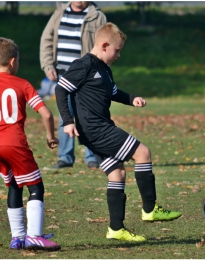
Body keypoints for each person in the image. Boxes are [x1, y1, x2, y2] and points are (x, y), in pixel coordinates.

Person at [55, 22, 182, 242]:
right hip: (96, 129)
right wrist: (67, 121)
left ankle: (116, 228)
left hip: (98, 129)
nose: (119, 54)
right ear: (104, 45)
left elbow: (114, 92)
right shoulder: (84, 65)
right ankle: (150, 209)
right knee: (143, 153)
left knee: (117, 174)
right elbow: (61, 88)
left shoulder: (105, 69)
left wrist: (132, 99)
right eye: (117, 50)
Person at [0, 37, 60, 250]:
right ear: (13, 62)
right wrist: (51, 136)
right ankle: (34, 236)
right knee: (35, 187)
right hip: (14, 143)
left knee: (14, 185)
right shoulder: (22, 84)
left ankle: (17, 237)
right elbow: (46, 113)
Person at [40, 1, 107, 169]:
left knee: (89, 116)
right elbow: (46, 41)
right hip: (63, 75)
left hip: (87, 76)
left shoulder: (97, 16)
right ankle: (65, 157)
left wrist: (99, 73)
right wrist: (48, 66)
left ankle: (92, 157)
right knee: (65, 117)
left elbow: (106, 46)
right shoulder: (59, 14)